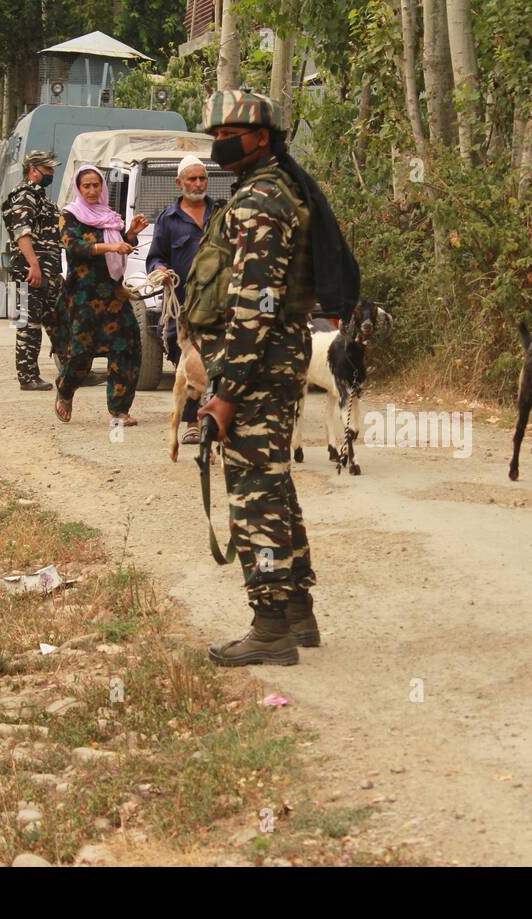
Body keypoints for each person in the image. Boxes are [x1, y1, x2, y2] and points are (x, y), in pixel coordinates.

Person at [181, 90, 359, 667]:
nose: (218, 143)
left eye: (228, 132)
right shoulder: (269, 188)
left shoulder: (262, 201)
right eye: (214, 134)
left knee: (256, 498)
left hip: (254, 370)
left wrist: (226, 393)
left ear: (260, 137)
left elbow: (255, 306)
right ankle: (298, 614)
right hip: (268, 363)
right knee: (274, 485)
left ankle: (270, 628)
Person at [54, 165, 149, 427]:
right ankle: (65, 388)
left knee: (127, 346)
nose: (93, 190)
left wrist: (131, 234)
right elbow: (74, 247)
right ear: (79, 188)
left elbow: (120, 248)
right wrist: (111, 245)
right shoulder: (69, 216)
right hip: (83, 296)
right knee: (81, 354)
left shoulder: (109, 217)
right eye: (87, 186)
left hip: (114, 293)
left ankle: (119, 410)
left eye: (97, 185)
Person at [146, 154, 217, 446]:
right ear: (179, 183)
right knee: (185, 361)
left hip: (217, 304)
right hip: (182, 307)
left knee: (217, 360)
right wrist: (160, 271)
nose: (198, 183)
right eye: (192, 179)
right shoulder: (168, 219)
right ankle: (191, 420)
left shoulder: (221, 214)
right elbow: (155, 257)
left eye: (202, 178)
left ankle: (210, 418)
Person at [1, 149, 66, 390]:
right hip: (32, 272)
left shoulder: (42, 199)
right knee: (29, 324)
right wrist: (34, 266)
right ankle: (28, 377)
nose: (51, 173)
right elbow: (21, 233)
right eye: (47, 169)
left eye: (52, 169)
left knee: (59, 320)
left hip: (49, 271)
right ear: (33, 170)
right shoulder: (25, 196)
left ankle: (72, 371)